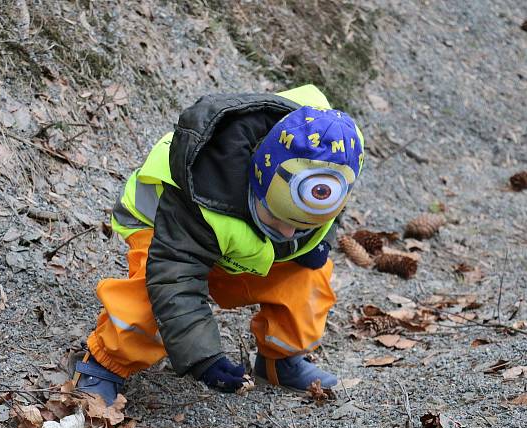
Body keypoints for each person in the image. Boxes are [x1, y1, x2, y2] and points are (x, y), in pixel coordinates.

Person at [72, 84, 365, 405]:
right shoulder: (207, 183)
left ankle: (280, 360)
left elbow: (325, 215)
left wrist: (315, 242)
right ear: (258, 179)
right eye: (274, 217)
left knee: (307, 279)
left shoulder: (335, 156)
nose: (284, 231)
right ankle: (105, 363)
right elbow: (175, 277)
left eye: (299, 226)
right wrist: (204, 357)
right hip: (162, 228)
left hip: (234, 237)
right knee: (148, 298)